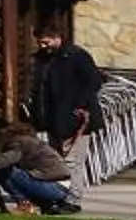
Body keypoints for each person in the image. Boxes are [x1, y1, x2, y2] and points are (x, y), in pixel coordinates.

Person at [29, 24, 104, 173]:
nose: (43, 46)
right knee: (58, 161)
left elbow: (94, 81)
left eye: (46, 42)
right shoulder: (44, 60)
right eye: (40, 43)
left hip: (74, 118)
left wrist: (80, 105)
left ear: (57, 38)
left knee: (72, 162)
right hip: (53, 119)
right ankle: (62, 193)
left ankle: (72, 194)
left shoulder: (77, 56)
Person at [0, 116, 82, 215]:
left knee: (6, 172)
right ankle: (39, 204)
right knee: (8, 171)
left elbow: (8, 159)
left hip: (54, 187)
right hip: (58, 185)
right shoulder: (24, 139)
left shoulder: (17, 142)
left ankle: (26, 205)